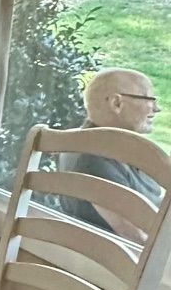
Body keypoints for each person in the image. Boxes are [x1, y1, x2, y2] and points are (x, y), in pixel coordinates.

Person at [58, 68, 165, 245]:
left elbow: (152, 207)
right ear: (117, 103)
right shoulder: (91, 158)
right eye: (149, 99)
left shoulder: (112, 147)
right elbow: (137, 238)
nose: (156, 109)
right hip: (110, 266)